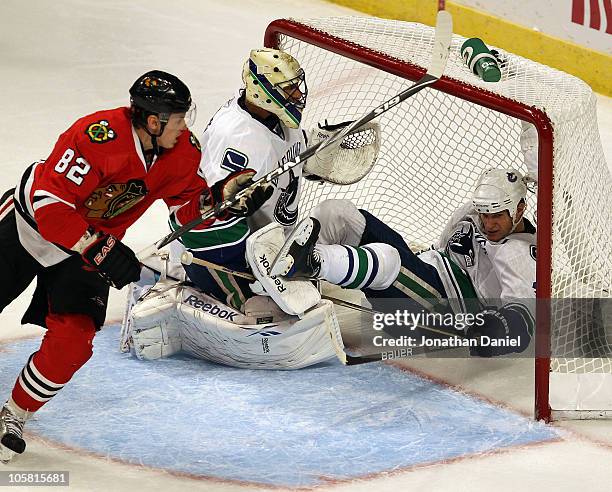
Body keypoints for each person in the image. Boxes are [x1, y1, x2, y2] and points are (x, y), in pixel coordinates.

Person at [0, 70, 268, 462]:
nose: (184, 127)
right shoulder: (96, 136)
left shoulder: (181, 153)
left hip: (87, 249)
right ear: (153, 121)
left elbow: (184, 210)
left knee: (73, 342)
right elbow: (48, 205)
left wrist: (218, 198)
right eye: (177, 119)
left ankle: (15, 413)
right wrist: (101, 248)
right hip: (28, 229)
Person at [272, 165, 537, 357]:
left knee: (387, 261)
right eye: (484, 215)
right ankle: (286, 276)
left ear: (520, 208)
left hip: (443, 314)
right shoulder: (472, 211)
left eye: (497, 216)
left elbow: (523, 320)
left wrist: (498, 333)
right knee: (337, 214)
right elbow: (440, 248)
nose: (488, 223)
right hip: (430, 276)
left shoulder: (519, 254)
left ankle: (312, 262)